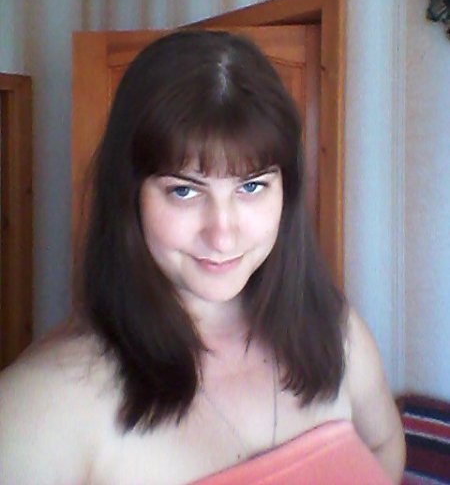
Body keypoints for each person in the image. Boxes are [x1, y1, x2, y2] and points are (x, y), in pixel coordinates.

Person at [0, 30, 405, 484]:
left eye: (251, 186)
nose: (222, 233)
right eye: (184, 191)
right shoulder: (43, 404)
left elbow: (384, 444)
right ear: (129, 197)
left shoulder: (335, 331)